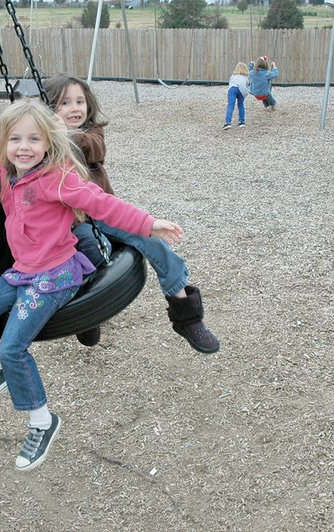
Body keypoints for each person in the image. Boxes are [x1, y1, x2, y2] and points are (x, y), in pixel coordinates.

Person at [0, 88, 184, 472]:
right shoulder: (8, 173)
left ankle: (42, 421)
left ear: (48, 142)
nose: (24, 148)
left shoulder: (56, 179)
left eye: (34, 139)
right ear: (5, 142)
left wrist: (150, 224)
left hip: (56, 275)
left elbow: (102, 203)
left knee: (13, 347)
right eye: (16, 139)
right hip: (24, 271)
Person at [43, 73, 220, 354]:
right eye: (64, 103)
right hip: (70, 224)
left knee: (152, 241)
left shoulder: (92, 134)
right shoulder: (40, 142)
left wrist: (61, 135)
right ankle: (85, 318)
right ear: (49, 109)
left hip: (103, 212)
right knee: (83, 257)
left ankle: (186, 313)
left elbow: (89, 148)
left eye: (79, 101)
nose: (74, 108)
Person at [223, 62, 250, 130]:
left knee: (230, 105)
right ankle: (242, 121)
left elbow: (230, 83)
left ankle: (228, 123)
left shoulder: (233, 75)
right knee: (240, 105)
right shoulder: (246, 77)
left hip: (233, 88)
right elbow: (247, 85)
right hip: (241, 90)